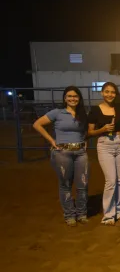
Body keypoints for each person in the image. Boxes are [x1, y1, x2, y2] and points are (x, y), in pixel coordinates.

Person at [33, 86, 89, 226]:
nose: (72, 99)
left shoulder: (82, 114)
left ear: (79, 98)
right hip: (62, 152)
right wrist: (52, 140)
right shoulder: (57, 113)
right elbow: (37, 124)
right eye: (69, 96)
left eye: (75, 96)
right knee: (66, 184)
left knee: (83, 184)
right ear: (65, 98)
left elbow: (85, 131)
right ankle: (69, 215)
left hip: (81, 152)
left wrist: (85, 141)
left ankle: (82, 214)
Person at [87, 82, 120, 225]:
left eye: (112, 92)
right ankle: (108, 215)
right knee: (111, 181)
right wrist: (103, 129)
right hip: (105, 145)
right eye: (107, 91)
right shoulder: (95, 110)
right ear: (102, 93)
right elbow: (90, 132)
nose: (109, 94)